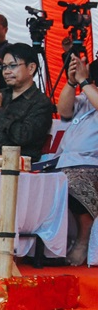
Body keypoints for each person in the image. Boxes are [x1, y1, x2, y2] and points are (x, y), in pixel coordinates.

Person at [0, 44, 55, 161]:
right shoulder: (1, 94)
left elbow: (22, 136)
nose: (6, 72)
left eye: (12, 66)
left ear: (31, 68)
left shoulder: (41, 102)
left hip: (18, 168)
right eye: (4, 67)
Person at [55, 56, 98, 265]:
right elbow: (63, 110)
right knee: (39, 182)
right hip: (63, 162)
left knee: (74, 182)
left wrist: (84, 82)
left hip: (92, 165)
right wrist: (72, 82)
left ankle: (83, 237)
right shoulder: (86, 98)